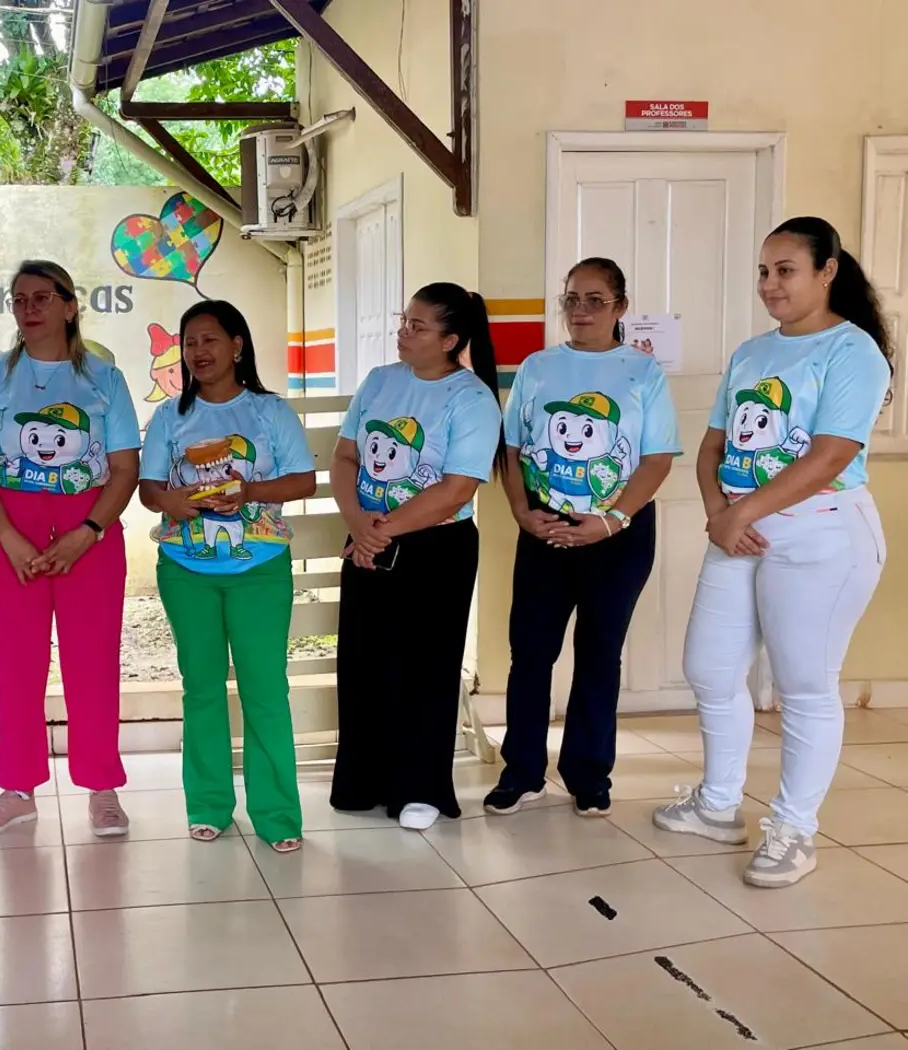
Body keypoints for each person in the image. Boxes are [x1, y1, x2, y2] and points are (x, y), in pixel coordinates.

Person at [654, 218, 892, 888]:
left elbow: (831, 455)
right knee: (709, 667)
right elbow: (714, 446)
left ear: (828, 271)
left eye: (786, 270)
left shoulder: (853, 352)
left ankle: (794, 830)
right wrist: (719, 514)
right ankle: (718, 805)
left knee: (804, 685)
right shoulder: (752, 353)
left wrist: (740, 514)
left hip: (821, 533)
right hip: (739, 529)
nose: (770, 284)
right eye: (763, 271)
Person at [483, 258, 680, 820]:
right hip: (544, 528)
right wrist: (522, 512)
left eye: (596, 300)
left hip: (618, 534)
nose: (581, 310)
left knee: (599, 652)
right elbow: (512, 448)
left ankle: (589, 775)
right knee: (531, 651)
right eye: (571, 298)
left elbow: (657, 458)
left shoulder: (642, 372)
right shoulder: (538, 367)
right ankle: (522, 772)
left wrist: (611, 520)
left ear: (620, 307)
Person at [0, 260, 141, 837]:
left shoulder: (104, 379)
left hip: (88, 529)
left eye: (42, 297)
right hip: (7, 527)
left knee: (92, 661)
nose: (29, 308)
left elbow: (124, 469)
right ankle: (17, 788)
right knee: (15, 662)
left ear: (69, 306)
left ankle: (102, 787)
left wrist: (88, 532)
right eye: (19, 299)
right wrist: (9, 538)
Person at [139, 301, 316, 852]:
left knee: (266, 690)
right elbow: (148, 490)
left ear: (237, 346)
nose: (199, 351)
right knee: (202, 688)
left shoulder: (269, 411)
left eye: (210, 339)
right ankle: (208, 805)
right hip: (186, 570)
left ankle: (277, 814)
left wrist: (249, 491)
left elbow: (304, 481)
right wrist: (172, 500)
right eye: (190, 342)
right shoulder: (169, 416)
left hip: (260, 569)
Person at [328, 283, 504, 831]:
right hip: (368, 539)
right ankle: (363, 782)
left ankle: (420, 789)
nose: (403, 332)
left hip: (435, 549)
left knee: (426, 668)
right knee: (364, 664)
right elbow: (345, 456)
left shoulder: (471, 398)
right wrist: (359, 525)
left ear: (450, 340)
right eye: (404, 321)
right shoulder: (381, 381)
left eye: (417, 326)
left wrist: (380, 532)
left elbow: (456, 489)